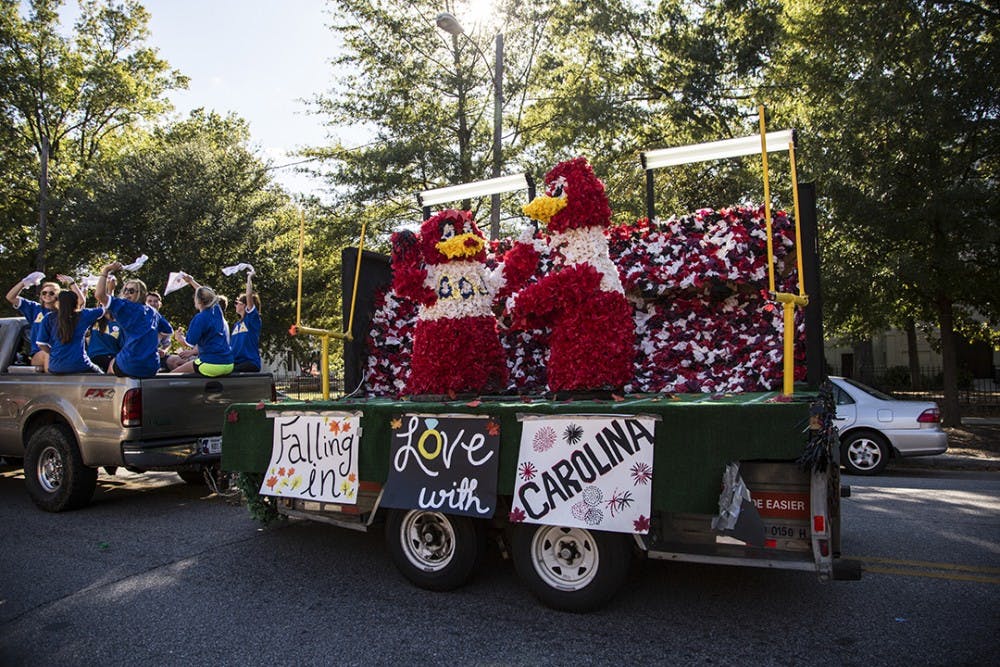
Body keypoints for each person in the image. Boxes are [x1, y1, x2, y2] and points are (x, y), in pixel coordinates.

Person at [94, 262, 161, 378]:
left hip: (130, 365)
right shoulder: (153, 312)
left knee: (112, 364)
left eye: (131, 291)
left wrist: (105, 270)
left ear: (140, 294)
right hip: (152, 367)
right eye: (125, 290)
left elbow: (100, 295)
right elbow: (167, 330)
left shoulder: (124, 306)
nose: (126, 293)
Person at [6, 274, 83, 367]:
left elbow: (80, 302)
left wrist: (72, 283)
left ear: (58, 296)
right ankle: (51, 380)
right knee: (47, 355)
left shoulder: (64, 312)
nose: (47, 295)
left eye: (51, 293)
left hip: (61, 353)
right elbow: (10, 297)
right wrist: (24, 282)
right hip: (39, 354)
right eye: (44, 293)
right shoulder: (34, 308)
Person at [170, 274, 233, 376]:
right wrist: (191, 281)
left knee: (172, 375)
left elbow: (189, 344)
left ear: (197, 301)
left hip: (211, 364)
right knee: (190, 364)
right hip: (228, 364)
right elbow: (206, 293)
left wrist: (179, 338)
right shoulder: (217, 310)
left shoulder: (199, 318)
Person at [36, 291, 105, 373]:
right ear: (76, 303)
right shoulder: (84, 315)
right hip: (79, 365)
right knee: (101, 375)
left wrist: (54, 352)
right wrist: (110, 290)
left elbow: (41, 344)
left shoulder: (48, 318)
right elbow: (105, 309)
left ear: (57, 303)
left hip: (56, 366)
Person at [230, 270, 262, 372]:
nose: (235, 305)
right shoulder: (236, 325)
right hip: (235, 362)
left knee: (230, 373)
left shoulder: (252, 320)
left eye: (237, 302)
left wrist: (249, 278)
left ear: (244, 305)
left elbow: (249, 296)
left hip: (249, 362)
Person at [144, 290, 174, 370]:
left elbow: (167, 343)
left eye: (155, 301)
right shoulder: (140, 319)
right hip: (141, 355)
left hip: (156, 355)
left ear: (160, 304)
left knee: (177, 361)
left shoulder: (163, 322)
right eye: (149, 301)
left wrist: (164, 351)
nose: (153, 304)